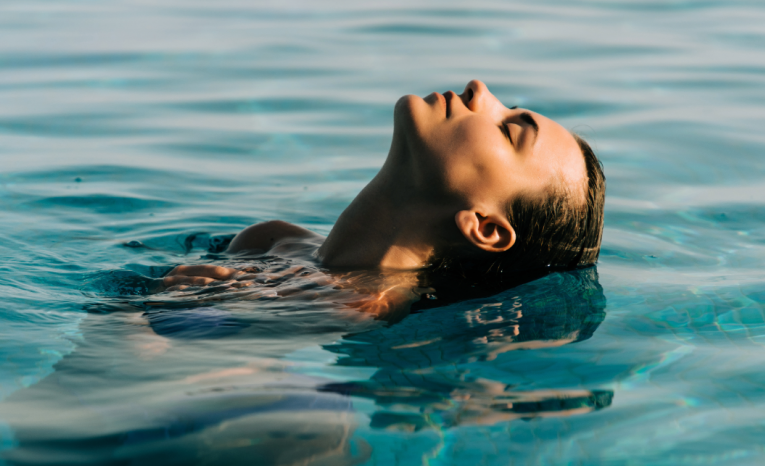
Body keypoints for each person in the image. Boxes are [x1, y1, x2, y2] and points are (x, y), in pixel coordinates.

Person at [157, 79, 605, 319]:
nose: (478, 89)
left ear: (484, 226)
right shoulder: (269, 238)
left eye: (508, 130)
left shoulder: (359, 307)